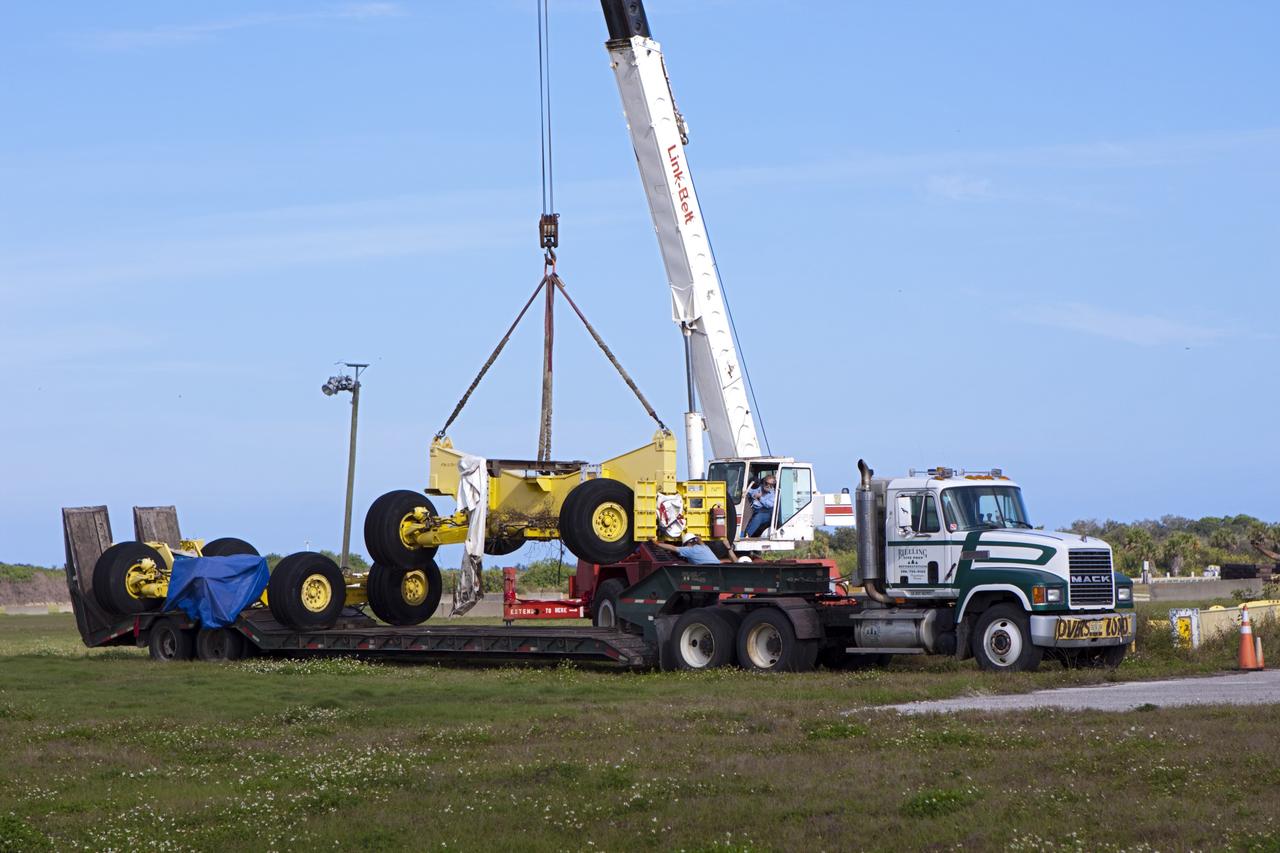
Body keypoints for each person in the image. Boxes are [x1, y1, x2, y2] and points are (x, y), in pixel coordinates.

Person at [649, 532, 739, 564]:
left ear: (687, 543)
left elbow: (673, 548)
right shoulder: (704, 547)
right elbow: (700, 541)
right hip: (718, 567)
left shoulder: (689, 550)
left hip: (710, 572)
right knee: (732, 562)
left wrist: (657, 543)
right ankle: (729, 549)